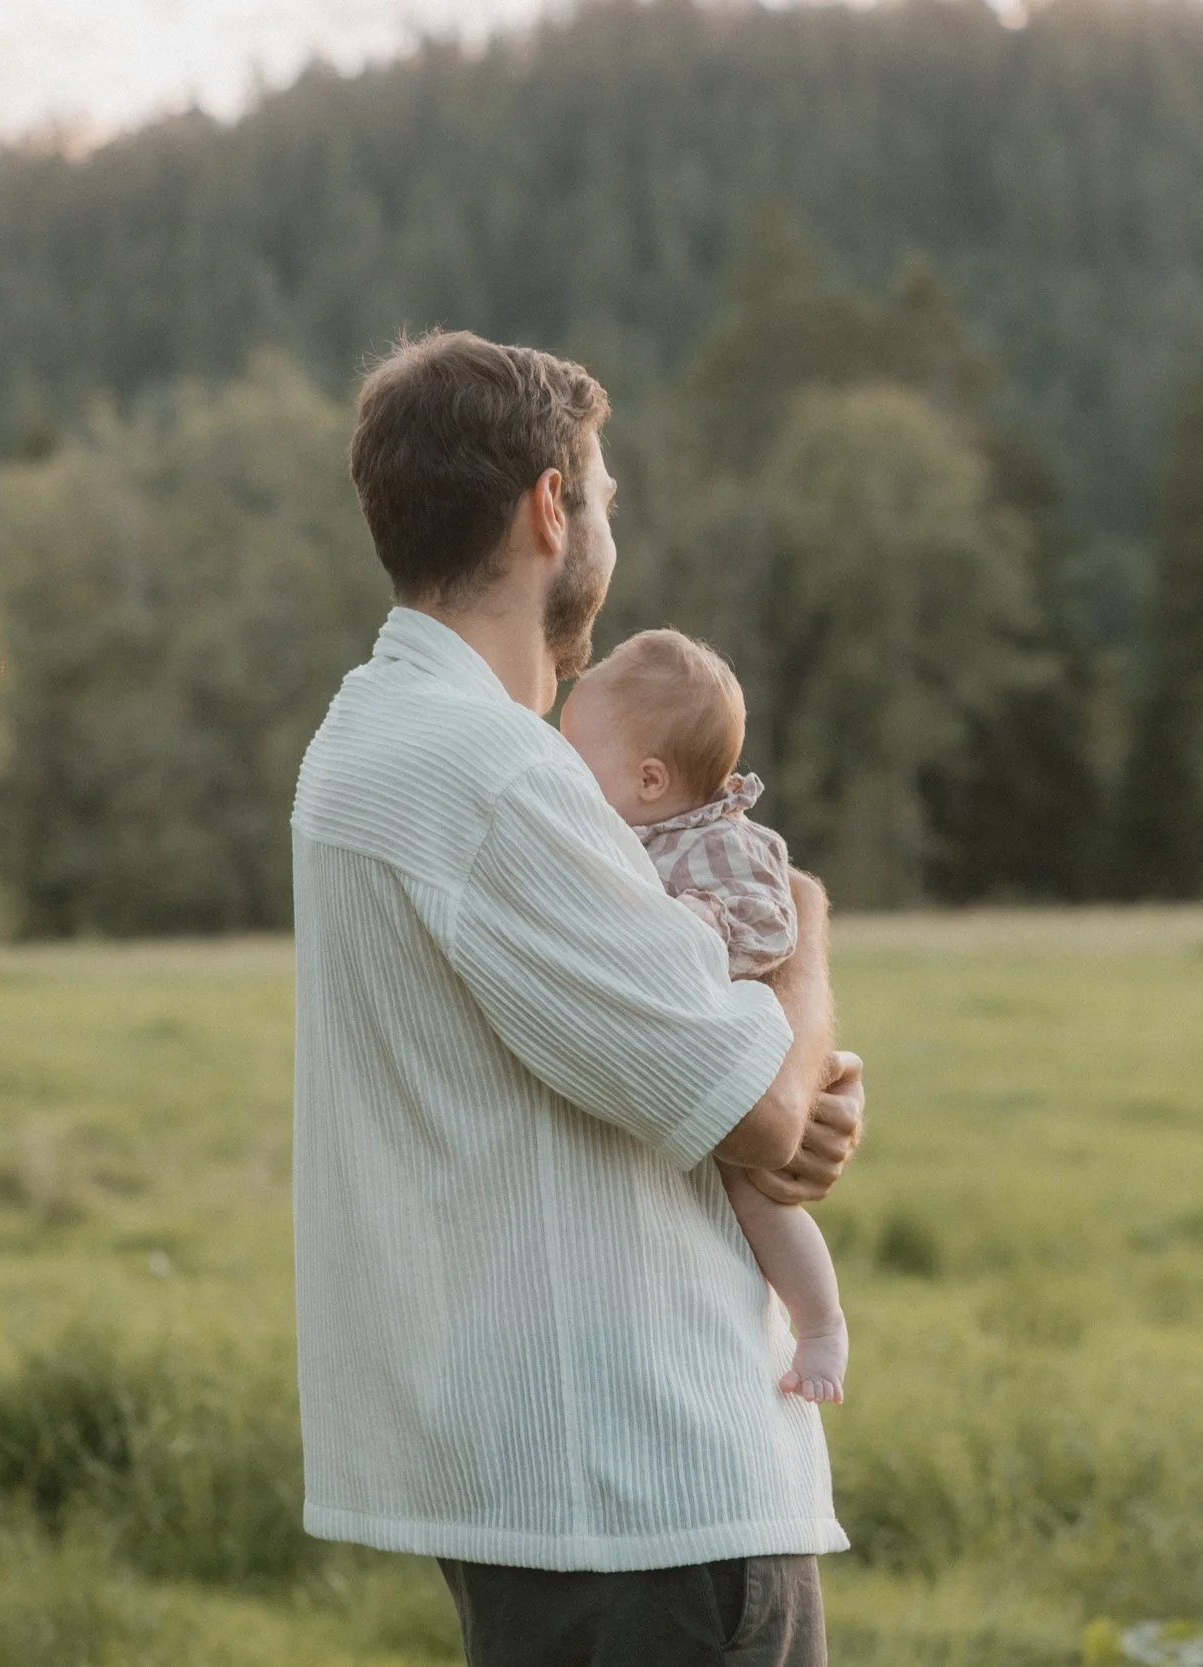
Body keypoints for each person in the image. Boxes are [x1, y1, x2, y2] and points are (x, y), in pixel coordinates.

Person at [292, 329, 865, 1667]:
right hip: (647, 1491)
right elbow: (769, 1108)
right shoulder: (494, 775)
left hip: (548, 1482)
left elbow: (738, 1091)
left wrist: (775, 1074)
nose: (611, 516)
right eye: (605, 490)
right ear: (551, 506)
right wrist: (811, 933)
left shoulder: (364, 740)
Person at [559, 629, 847, 1405]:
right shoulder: (636, 836)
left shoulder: (721, 845)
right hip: (690, 1056)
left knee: (758, 1193)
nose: (563, 780)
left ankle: (821, 1324)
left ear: (649, 779)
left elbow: (772, 922)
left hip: (735, 1044)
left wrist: (699, 922)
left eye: (577, 762)